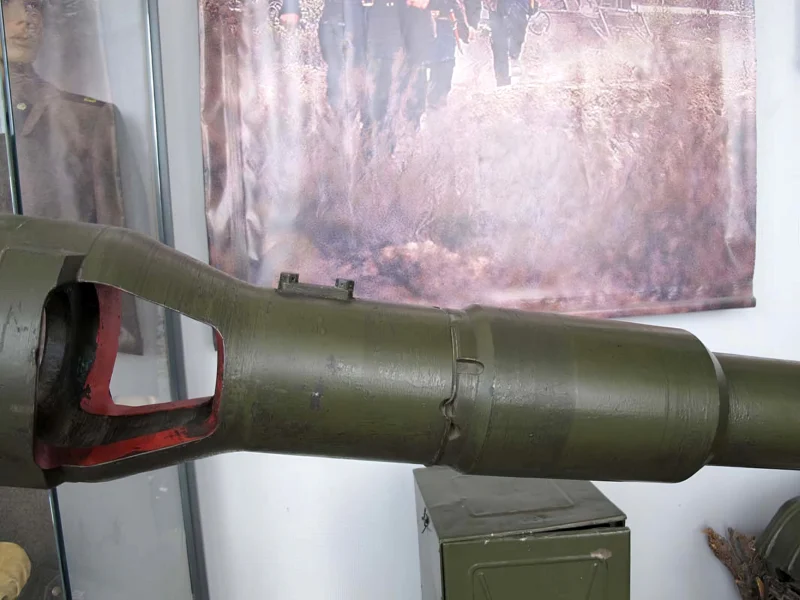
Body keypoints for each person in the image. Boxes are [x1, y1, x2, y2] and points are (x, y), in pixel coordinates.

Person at [0, 0, 143, 354]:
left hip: (49, 334)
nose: (26, 20)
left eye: (33, 6)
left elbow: (111, 238)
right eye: (8, 6)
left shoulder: (86, 120)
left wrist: (115, 332)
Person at [427, 0, 479, 110]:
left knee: (446, 66)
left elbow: (472, 4)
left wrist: (471, 25)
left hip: (446, 23)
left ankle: (438, 105)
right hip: (422, 22)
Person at [486, 0, 534, 86]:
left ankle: (514, 58)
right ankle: (502, 80)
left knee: (517, 30)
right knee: (499, 43)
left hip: (519, 6)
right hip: (498, 9)